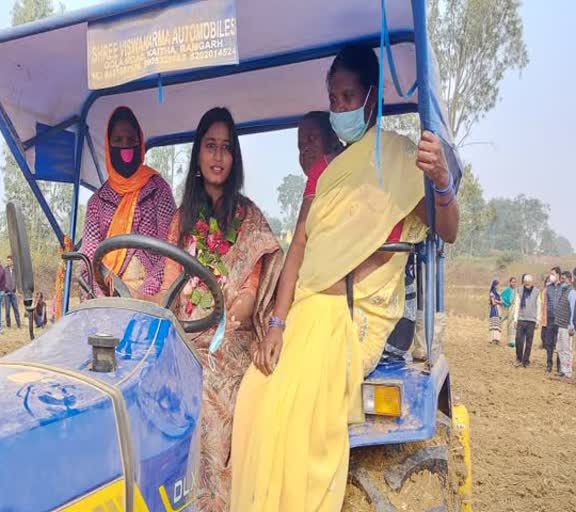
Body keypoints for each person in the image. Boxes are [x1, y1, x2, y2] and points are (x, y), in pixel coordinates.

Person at [230, 44, 459, 511]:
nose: (338, 107)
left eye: (347, 96)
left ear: (370, 98)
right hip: (307, 310)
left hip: (355, 316)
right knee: (252, 397)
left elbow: (448, 229)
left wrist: (441, 182)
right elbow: (297, 249)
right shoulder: (323, 172)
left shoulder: (399, 161)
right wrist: (276, 323)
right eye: (333, 97)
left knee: (290, 412)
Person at [155, 107, 283, 512]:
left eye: (226, 148)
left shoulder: (249, 218)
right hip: (186, 331)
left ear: (235, 157)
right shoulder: (180, 221)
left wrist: (221, 321)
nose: (218, 156)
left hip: (231, 340)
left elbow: (248, 294)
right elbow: (170, 284)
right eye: (210, 146)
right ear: (197, 154)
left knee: (206, 393)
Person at [250, 111, 341, 374]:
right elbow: (297, 252)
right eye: (301, 146)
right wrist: (276, 324)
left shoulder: (347, 180)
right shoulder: (314, 188)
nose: (306, 150)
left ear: (333, 139)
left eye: (312, 139)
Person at [81, 106, 176, 297]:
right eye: (118, 141)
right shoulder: (97, 203)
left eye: (131, 140)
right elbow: (89, 263)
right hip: (108, 296)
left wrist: (143, 295)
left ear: (139, 144)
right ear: (109, 146)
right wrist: (106, 299)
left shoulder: (158, 190)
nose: (125, 147)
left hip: (154, 299)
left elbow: (171, 252)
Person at [512, 274, 541, 368]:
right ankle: (519, 358)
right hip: (521, 319)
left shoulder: (537, 291)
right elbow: (517, 305)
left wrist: (538, 320)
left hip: (531, 320)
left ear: (531, 282)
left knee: (529, 341)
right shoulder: (519, 290)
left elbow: (539, 306)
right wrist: (515, 319)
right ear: (524, 281)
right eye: (525, 281)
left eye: (528, 282)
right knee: (518, 340)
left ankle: (526, 360)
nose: (527, 283)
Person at [554, 271, 576, 379]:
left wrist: (572, 326)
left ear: (569, 279)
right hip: (560, 325)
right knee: (559, 348)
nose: (561, 280)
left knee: (567, 349)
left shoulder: (572, 292)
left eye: (563, 278)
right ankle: (563, 370)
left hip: (567, 326)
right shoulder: (563, 290)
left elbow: (573, 310)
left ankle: (567, 372)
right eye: (561, 278)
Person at [542, 267, 562, 372]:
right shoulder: (548, 287)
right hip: (550, 319)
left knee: (559, 343)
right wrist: (544, 318)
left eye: (553, 274)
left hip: (560, 319)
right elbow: (545, 303)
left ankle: (559, 366)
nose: (551, 276)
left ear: (558, 275)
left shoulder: (563, 287)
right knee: (549, 342)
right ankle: (549, 364)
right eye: (551, 274)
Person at [4, 255, 21, 328]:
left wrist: (17, 290)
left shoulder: (15, 270)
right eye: (7, 260)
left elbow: (18, 281)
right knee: (7, 311)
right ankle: (8, 325)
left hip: (13, 293)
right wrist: (5, 288)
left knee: (16, 309)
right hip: (7, 294)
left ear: (12, 261)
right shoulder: (5, 270)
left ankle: (19, 324)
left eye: (9, 260)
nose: (8, 262)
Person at [500, 276, 518, 345]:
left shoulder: (517, 290)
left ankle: (513, 341)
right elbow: (501, 297)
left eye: (515, 282)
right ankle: (509, 341)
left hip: (515, 308)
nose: (514, 283)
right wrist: (505, 302)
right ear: (510, 282)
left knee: (514, 324)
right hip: (509, 308)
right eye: (512, 282)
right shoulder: (507, 290)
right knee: (509, 324)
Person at [488, 279, 503, 344]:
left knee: (498, 324)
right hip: (494, 310)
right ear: (495, 285)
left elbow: (501, 302)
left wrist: (497, 301)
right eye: (497, 285)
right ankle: (492, 339)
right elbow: (493, 303)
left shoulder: (498, 293)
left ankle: (497, 339)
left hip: (498, 309)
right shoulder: (492, 293)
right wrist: (498, 301)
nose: (498, 286)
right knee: (494, 323)